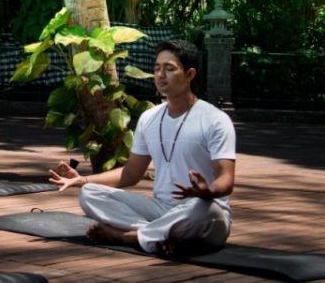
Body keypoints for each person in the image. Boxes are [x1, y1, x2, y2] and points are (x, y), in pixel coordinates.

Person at [49, 40, 236, 256]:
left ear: (190, 74)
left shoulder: (215, 120)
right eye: (157, 68)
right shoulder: (149, 118)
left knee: (207, 211)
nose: (160, 75)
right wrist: (82, 180)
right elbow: (131, 173)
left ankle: (128, 236)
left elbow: (226, 179)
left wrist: (207, 192)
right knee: (89, 194)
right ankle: (159, 235)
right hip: (159, 209)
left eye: (169, 68)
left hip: (199, 210)